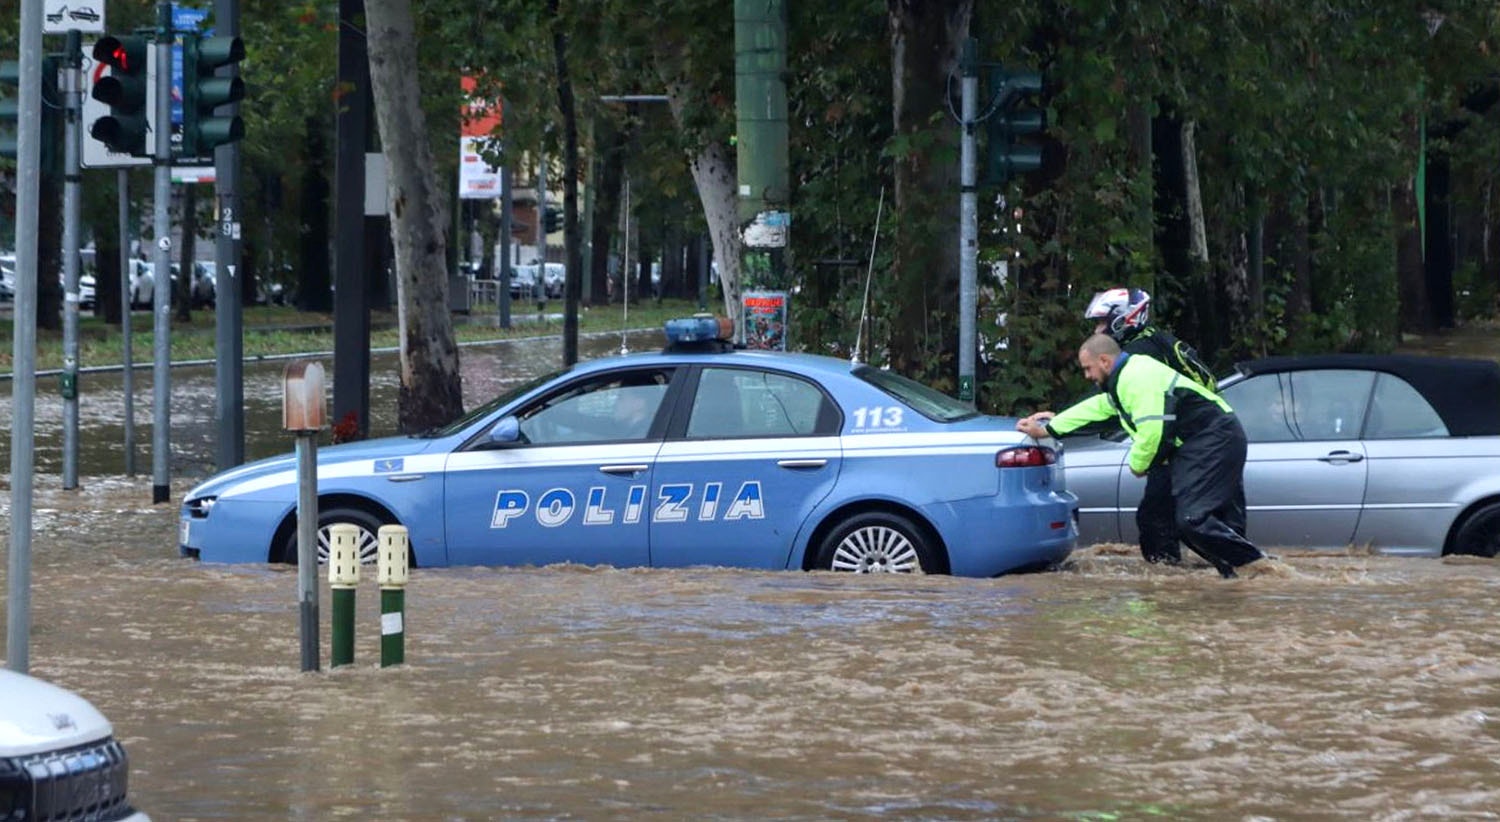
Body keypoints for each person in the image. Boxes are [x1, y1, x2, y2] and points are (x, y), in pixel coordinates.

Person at [1018, 334, 1268, 578]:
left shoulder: (1138, 378)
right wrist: (1051, 426)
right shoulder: (1123, 380)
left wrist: (1138, 464)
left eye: (1088, 369)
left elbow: (1153, 433)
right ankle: (1219, 577)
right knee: (1159, 519)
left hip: (1214, 439)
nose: (1087, 376)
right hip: (1193, 446)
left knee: (1192, 520)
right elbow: (1098, 408)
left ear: (1104, 361)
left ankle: (1260, 568)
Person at [1081, 287, 1215, 564]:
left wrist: (1057, 420)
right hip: (1195, 443)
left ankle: (1165, 586)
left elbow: (1109, 404)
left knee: (1156, 520)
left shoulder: (1137, 354)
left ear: (1123, 319)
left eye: (1101, 323)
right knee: (1185, 521)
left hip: (1177, 448)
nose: (1097, 331)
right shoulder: (1157, 340)